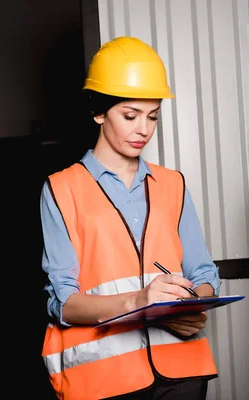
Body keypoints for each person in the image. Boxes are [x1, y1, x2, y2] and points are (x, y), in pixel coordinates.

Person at [39, 36, 221, 400]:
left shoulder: (173, 184)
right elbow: (63, 302)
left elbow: (204, 274)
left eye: (152, 116)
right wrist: (140, 302)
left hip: (182, 373)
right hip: (104, 380)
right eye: (130, 115)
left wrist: (193, 307)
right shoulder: (61, 189)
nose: (144, 129)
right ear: (99, 112)